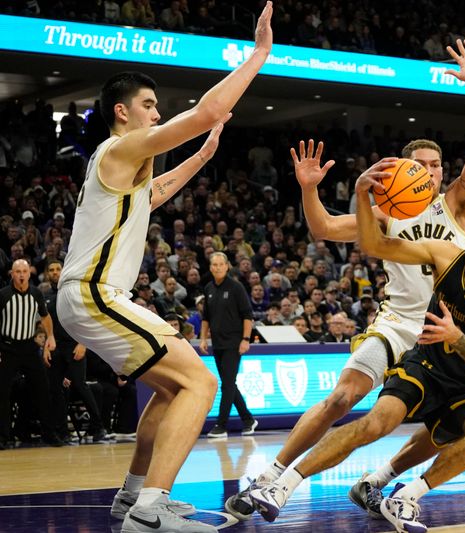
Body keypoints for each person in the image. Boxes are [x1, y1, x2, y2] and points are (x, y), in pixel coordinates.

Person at [224, 37, 465, 520]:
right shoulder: (386, 212)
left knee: (448, 427)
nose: (432, 172)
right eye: (422, 166)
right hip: (396, 324)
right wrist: (308, 189)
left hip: (444, 335)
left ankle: (379, 481)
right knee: (342, 397)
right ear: (405, 171)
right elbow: (324, 228)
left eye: (437, 165)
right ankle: (271, 476)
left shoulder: (459, 204)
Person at [55, 4, 274, 531]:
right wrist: (258, 55)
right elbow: (202, 112)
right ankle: (150, 511)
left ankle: (132, 498)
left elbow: (156, 192)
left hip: (94, 296)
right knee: (201, 384)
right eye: (149, 105)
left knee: (176, 387)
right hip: (94, 293)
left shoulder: (123, 170)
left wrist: (202, 156)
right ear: (123, 112)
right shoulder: (119, 146)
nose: (157, 113)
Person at [250, 190, 465, 532]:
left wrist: (456, 337)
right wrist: (361, 192)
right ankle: (283, 485)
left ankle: (405, 497)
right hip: (425, 366)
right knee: (376, 423)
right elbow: (376, 246)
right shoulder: (446, 255)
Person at [43, 259, 108, 443]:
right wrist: (46, 346)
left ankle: (99, 427)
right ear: (48, 274)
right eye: (51, 270)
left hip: (74, 345)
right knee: (55, 388)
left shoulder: (73, 291)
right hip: (56, 347)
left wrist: (83, 343)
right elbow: (46, 326)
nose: (55, 272)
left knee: (80, 385)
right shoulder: (46, 296)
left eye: (58, 269)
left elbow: (85, 318)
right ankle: (62, 432)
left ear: (64, 271)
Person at [0, 259, 62, 449]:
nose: (20, 275)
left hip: (28, 347)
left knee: (43, 388)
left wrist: (50, 336)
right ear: (12, 274)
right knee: (2, 392)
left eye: (24, 271)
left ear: (29, 273)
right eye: (17, 271)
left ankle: (49, 434)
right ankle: (3, 437)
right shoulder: (3, 295)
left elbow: (45, 316)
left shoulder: (36, 293)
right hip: (7, 347)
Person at [199, 252, 257, 439]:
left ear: (227, 266)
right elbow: (206, 318)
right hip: (217, 343)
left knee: (227, 384)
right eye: (214, 264)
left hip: (234, 342)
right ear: (210, 267)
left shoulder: (236, 287)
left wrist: (246, 339)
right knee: (229, 384)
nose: (217, 267)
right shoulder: (208, 288)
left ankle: (221, 425)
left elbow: (247, 315)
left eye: (220, 264)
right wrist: (203, 339)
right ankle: (248, 420)